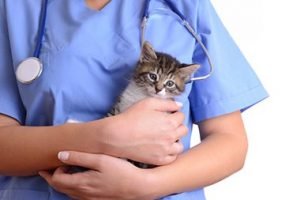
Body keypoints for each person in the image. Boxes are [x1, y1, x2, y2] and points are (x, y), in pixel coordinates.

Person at [0, 0, 268, 199]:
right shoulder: (15, 7)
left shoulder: (184, 5)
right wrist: (100, 137)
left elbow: (230, 143)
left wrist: (146, 185)